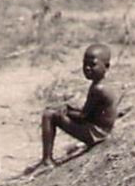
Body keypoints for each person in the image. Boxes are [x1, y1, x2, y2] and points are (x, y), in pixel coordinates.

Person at [25, 44, 121, 175]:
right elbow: (89, 114)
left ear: (106, 66)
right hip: (99, 129)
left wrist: (65, 112)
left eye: (92, 65)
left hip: (96, 134)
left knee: (49, 115)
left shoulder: (98, 89)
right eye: (85, 64)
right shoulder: (102, 85)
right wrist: (69, 109)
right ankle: (46, 159)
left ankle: (47, 160)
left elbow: (83, 116)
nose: (87, 68)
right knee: (56, 112)